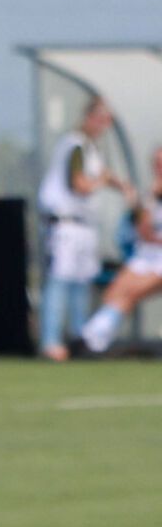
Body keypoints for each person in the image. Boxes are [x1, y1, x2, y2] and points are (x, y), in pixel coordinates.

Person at [38, 96, 133, 360]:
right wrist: (101, 180)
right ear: (89, 117)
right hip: (65, 224)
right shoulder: (75, 145)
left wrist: (122, 186)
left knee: (81, 283)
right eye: (100, 119)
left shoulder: (91, 149)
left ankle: (80, 341)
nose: (103, 126)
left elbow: (104, 174)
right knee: (59, 281)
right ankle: (50, 341)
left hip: (84, 226)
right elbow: (81, 184)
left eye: (107, 121)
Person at [78, 144, 162, 354]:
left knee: (131, 293)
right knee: (115, 293)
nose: (159, 168)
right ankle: (94, 339)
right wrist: (143, 202)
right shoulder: (151, 195)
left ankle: (92, 337)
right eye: (156, 164)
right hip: (147, 255)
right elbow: (144, 230)